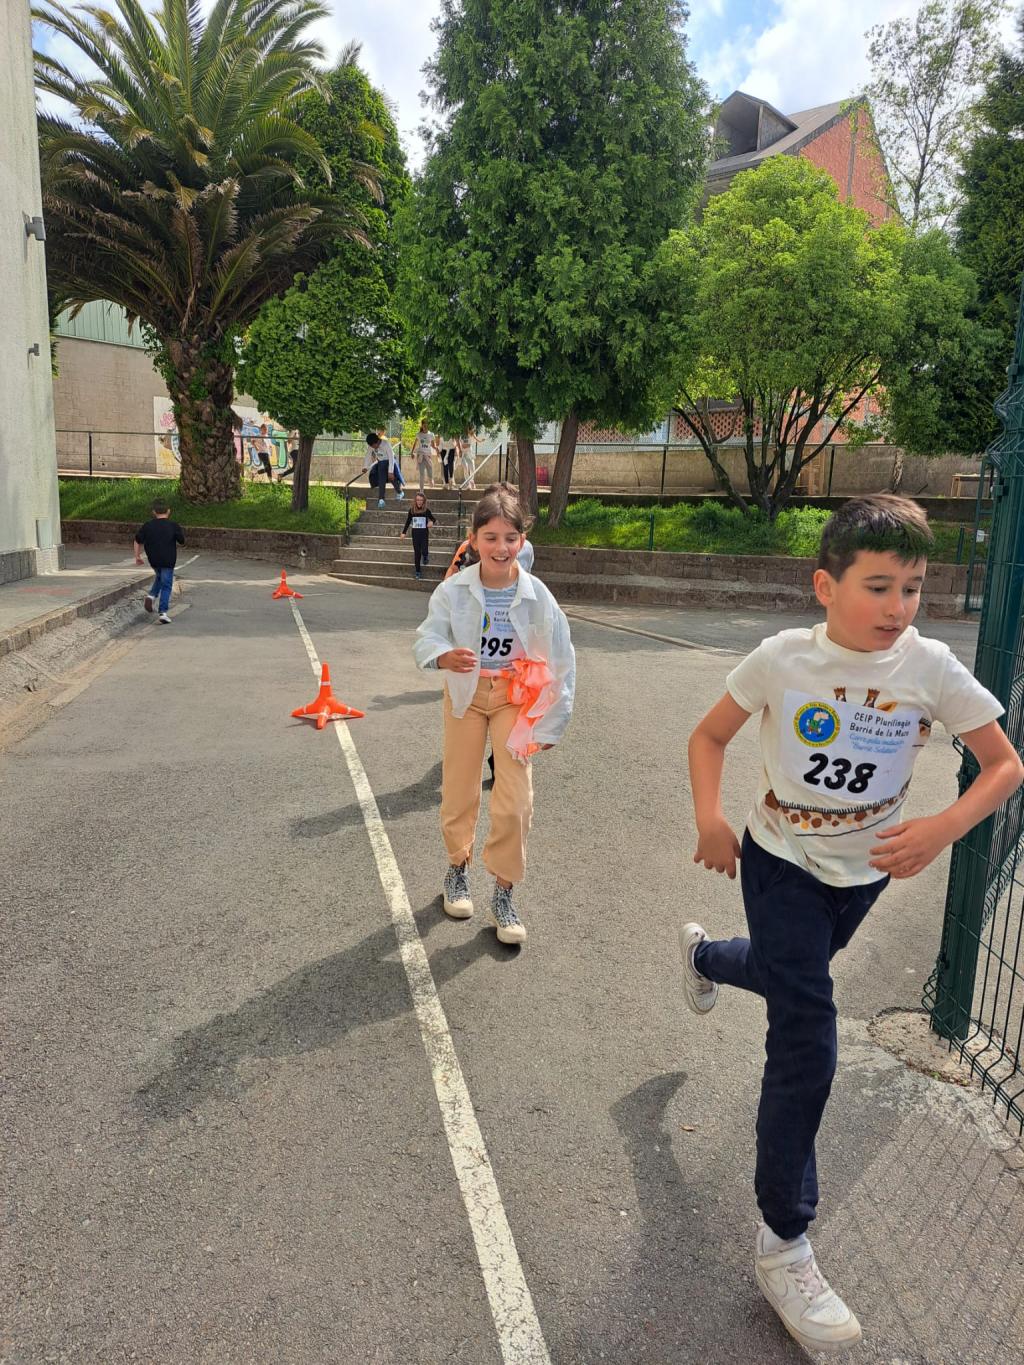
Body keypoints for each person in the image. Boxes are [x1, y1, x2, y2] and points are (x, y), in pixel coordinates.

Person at [681, 493, 1023, 1354]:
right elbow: (708, 736)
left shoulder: (931, 666)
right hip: (779, 862)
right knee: (807, 1028)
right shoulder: (782, 658)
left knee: (784, 975)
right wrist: (710, 818)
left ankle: (707, 957)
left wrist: (942, 827)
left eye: (913, 586)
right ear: (825, 586)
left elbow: (1003, 765)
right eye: (879, 586)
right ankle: (783, 1238)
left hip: (865, 876)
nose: (899, 607)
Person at [414, 483, 576, 945]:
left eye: (510, 538)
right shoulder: (454, 589)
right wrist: (443, 656)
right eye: (490, 537)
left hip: (514, 698)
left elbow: (562, 658)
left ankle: (504, 892)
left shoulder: (538, 595)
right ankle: (457, 868)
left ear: (522, 541)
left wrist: (553, 723)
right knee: (459, 788)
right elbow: (428, 635)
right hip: (465, 696)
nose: (500, 547)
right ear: (473, 539)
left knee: (517, 797)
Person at [134, 500, 186, 625]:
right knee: (167, 585)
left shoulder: (147, 525)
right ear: (168, 511)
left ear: (154, 512)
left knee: (159, 576)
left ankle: (151, 596)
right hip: (168, 559)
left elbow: (137, 540)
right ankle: (163, 612)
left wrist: (137, 556)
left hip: (153, 559)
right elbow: (182, 541)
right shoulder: (173, 525)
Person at [401, 492, 437, 579]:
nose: (419, 502)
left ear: (424, 501)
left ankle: (425, 556)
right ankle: (417, 571)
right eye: (418, 500)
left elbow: (433, 519)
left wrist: (431, 522)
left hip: (424, 534)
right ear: (415, 501)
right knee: (417, 553)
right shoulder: (412, 511)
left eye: (421, 500)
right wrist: (404, 532)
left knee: (424, 550)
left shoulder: (426, 511)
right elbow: (408, 522)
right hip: (415, 534)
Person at [363, 432, 404, 508]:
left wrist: (390, 471)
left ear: (377, 441)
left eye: (374, 446)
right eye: (371, 446)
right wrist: (365, 467)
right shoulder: (372, 445)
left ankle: (400, 492)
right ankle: (381, 499)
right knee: (381, 480)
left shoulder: (386, 444)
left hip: (390, 461)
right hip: (381, 462)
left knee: (391, 478)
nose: (373, 448)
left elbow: (391, 457)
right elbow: (368, 455)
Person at [411, 419, 438, 491]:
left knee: (430, 474)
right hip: (421, 456)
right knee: (422, 474)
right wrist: (412, 452)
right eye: (424, 425)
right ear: (422, 425)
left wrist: (437, 450)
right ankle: (421, 491)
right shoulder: (419, 434)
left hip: (428, 456)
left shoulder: (431, 434)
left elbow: (433, 445)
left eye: (426, 425)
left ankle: (431, 480)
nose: (425, 426)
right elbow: (415, 443)